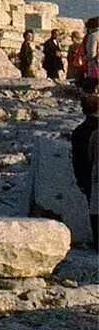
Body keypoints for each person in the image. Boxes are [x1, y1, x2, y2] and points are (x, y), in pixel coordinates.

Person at [72, 92, 99, 257]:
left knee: (94, 210)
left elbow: (79, 158)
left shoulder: (78, 131)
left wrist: (80, 179)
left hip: (89, 176)